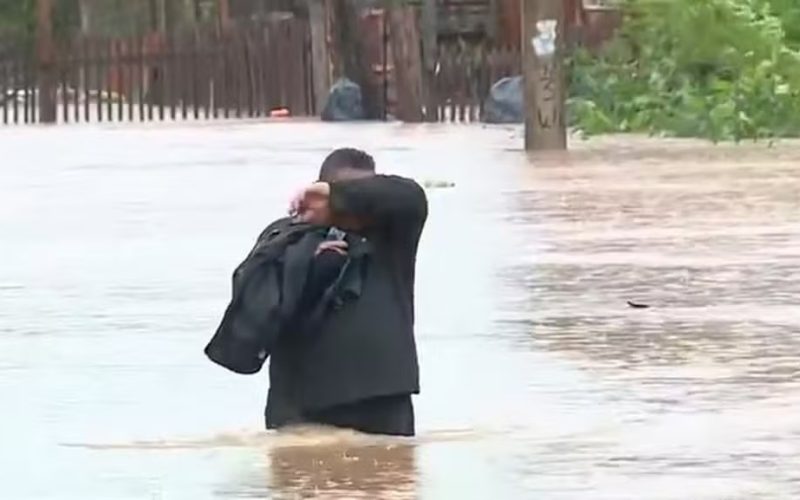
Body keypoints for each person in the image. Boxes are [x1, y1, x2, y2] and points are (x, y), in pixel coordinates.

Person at [265, 148, 428, 437]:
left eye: (363, 193)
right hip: (300, 404)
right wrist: (308, 263)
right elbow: (257, 305)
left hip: (381, 401)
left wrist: (339, 197)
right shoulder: (285, 235)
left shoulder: (393, 234)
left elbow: (411, 195)